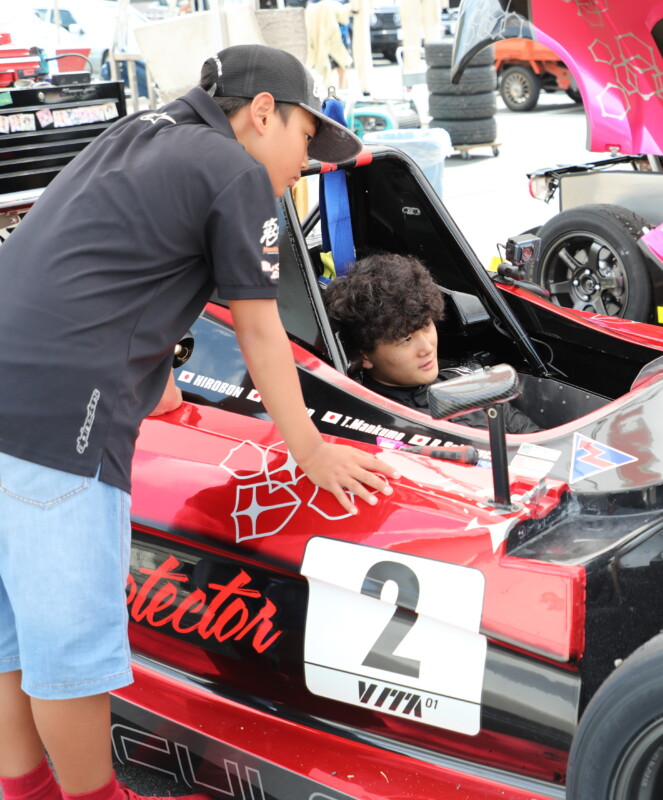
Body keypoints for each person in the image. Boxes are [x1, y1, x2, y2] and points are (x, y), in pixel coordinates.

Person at [0, 44, 397, 800]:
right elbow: (259, 330)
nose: (306, 165)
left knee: (11, 641)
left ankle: (24, 789)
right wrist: (311, 451)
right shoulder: (235, 171)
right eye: (306, 138)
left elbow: (107, 269)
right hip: (57, 429)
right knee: (68, 652)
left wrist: (158, 390)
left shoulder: (135, 134)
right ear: (261, 113)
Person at [324, 254, 541, 433]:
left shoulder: (464, 380)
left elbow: (534, 439)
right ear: (365, 355)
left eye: (426, 325)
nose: (427, 348)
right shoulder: (373, 425)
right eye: (406, 339)